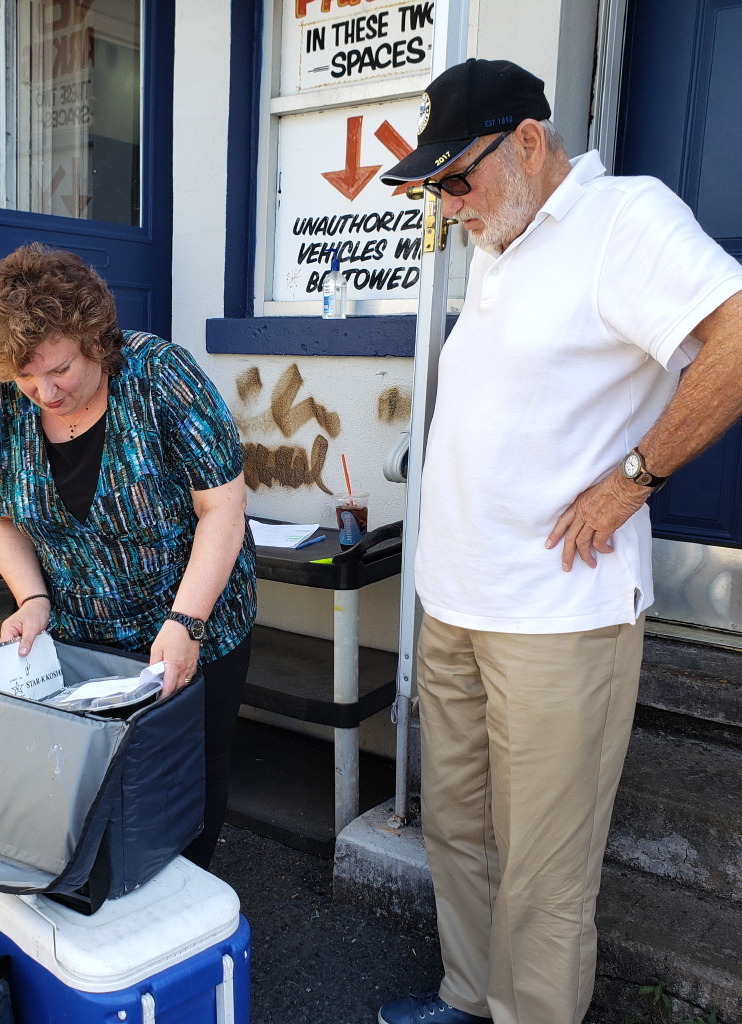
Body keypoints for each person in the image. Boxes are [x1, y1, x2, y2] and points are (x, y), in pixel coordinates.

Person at [376, 58, 742, 1024]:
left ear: (528, 144)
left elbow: (738, 338)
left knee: (545, 867)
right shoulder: (503, 239)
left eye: (458, 178)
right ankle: (467, 997)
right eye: (434, 185)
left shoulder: (623, 218)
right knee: (458, 833)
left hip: (555, 616)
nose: (447, 203)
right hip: (455, 601)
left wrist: (635, 481)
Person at [0, 243, 257, 869]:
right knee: (85, 777)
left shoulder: (160, 377)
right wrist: (32, 598)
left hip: (190, 618)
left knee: (187, 774)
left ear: (94, 334)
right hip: (78, 629)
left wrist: (186, 624)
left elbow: (223, 511)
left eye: (59, 369)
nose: (44, 391)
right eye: (24, 375)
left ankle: (180, 899)